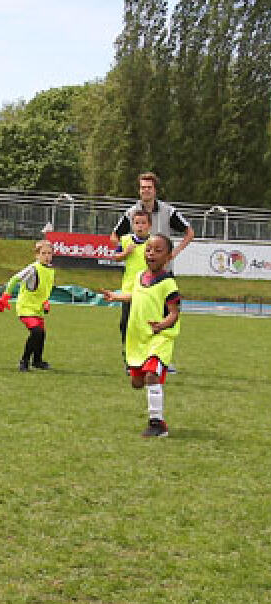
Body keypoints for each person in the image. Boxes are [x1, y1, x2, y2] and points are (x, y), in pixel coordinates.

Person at [101, 233, 181, 437]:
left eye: (158, 250)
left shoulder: (168, 283)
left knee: (152, 375)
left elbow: (174, 312)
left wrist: (161, 325)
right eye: (148, 249)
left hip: (160, 337)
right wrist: (116, 296)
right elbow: (135, 295)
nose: (151, 253)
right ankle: (149, 383)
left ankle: (157, 424)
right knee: (137, 382)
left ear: (168, 257)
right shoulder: (139, 277)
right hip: (138, 338)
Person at [0, 239, 55, 371]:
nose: (47, 256)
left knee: (41, 334)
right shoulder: (33, 269)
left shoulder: (50, 270)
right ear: (37, 255)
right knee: (37, 332)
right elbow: (14, 279)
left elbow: (44, 289)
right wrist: (5, 297)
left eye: (49, 253)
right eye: (43, 253)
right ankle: (24, 361)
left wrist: (46, 302)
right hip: (26, 308)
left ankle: (37, 361)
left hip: (38, 308)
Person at [110, 172, 193, 264]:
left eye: (149, 187)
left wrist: (173, 253)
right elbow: (114, 236)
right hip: (139, 270)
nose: (146, 190)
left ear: (155, 190)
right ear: (139, 190)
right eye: (143, 187)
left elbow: (189, 233)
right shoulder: (131, 212)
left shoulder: (168, 211)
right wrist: (124, 251)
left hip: (163, 268)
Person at [107, 209, 151, 357]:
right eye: (137, 223)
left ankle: (145, 353)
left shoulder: (153, 242)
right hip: (129, 289)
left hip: (147, 289)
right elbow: (116, 257)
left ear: (149, 225)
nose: (140, 226)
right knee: (125, 322)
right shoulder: (126, 240)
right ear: (132, 225)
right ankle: (128, 351)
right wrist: (126, 253)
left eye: (143, 223)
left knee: (144, 323)